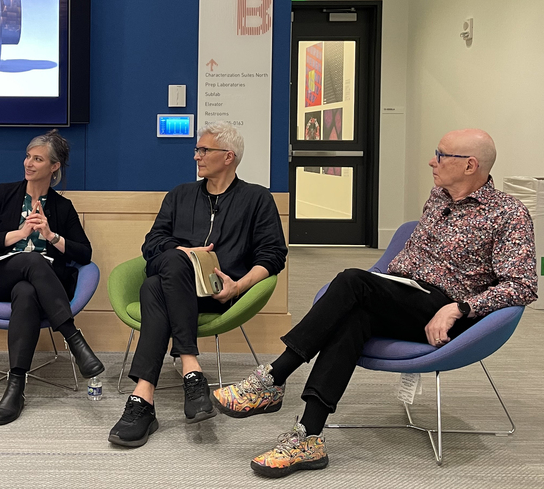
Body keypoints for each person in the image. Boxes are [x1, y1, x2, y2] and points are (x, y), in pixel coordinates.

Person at [213, 128, 538, 478]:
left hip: (444, 307)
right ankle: (308, 436)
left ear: (470, 165)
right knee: (353, 319)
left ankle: (273, 377)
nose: (432, 160)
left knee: (353, 280)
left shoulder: (508, 213)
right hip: (399, 293)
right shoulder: (438, 197)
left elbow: (523, 285)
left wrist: (457, 308)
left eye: (441, 155)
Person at [108, 121, 288, 447]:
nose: (197, 157)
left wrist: (238, 287)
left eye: (204, 150)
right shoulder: (179, 195)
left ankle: (142, 403)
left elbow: (274, 256)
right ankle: (190, 370)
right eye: (197, 150)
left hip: (218, 294)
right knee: (173, 263)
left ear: (228, 156)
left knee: (152, 289)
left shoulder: (257, 199)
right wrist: (183, 251)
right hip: (174, 281)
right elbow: (152, 245)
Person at [0, 130, 104, 425]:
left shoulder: (62, 207)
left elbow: (84, 253)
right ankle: (73, 336)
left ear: (54, 167)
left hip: (36, 286)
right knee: (30, 261)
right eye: (28, 156)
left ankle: (15, 386)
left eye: (38, 159)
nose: (28, 163)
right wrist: (19, 234)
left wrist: (51, 235)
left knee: (27, 292)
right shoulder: (3, 193)